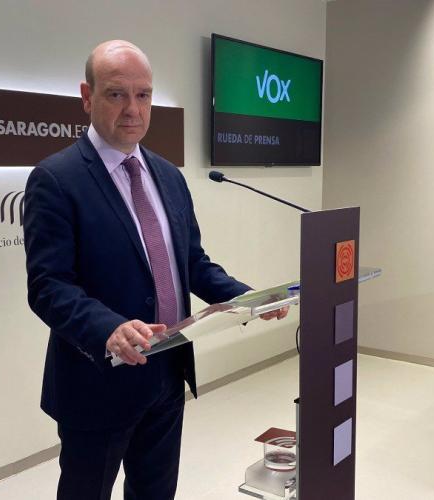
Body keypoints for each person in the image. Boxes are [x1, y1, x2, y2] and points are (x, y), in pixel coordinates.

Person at [23, 39, 288, 500]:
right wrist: (108, 328)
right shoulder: (56, 179)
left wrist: (247, 298)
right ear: (87, 96)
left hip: (166, 374)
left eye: (143, 95)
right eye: (116, 94)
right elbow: (48, 285)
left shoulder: (168, 175)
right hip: (98, 384)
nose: (133, 109)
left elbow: (192, 264)